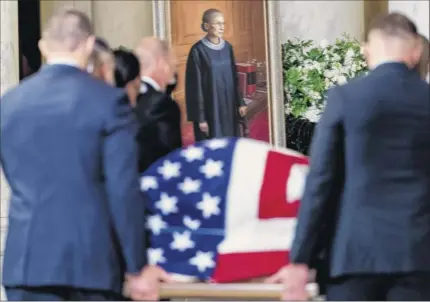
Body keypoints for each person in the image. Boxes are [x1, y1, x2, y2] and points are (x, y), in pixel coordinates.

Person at [0, 8, 170, 301]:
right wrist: (136, 266)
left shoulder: (10, 103)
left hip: (25, 264)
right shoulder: (109, 102)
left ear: (43, 46)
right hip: (90, 265)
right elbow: (122, 189)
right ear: (90, 45)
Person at [267, 13, 430, 301]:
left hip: (353, 254)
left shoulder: (346, 97)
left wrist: (299, 259)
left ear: (367, 52)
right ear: (416, 50)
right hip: (418, 256)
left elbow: (321, 181)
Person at [185, 8, 247, 141]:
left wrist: (240, 102)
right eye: (217, 23)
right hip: (210, 108)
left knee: (230, 142)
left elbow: (235, 77)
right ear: (207, 26)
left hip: (229, 106)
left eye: (223, 23)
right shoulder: (198, 51)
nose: (222, 27)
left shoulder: (228, 47)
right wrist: (200, 118)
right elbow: (194, 87)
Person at [133, 37, 182, 173]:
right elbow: (170, 161)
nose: (175, 66)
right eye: (172, 62)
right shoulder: (162, 105)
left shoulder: (123, 94)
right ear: (161, 63)